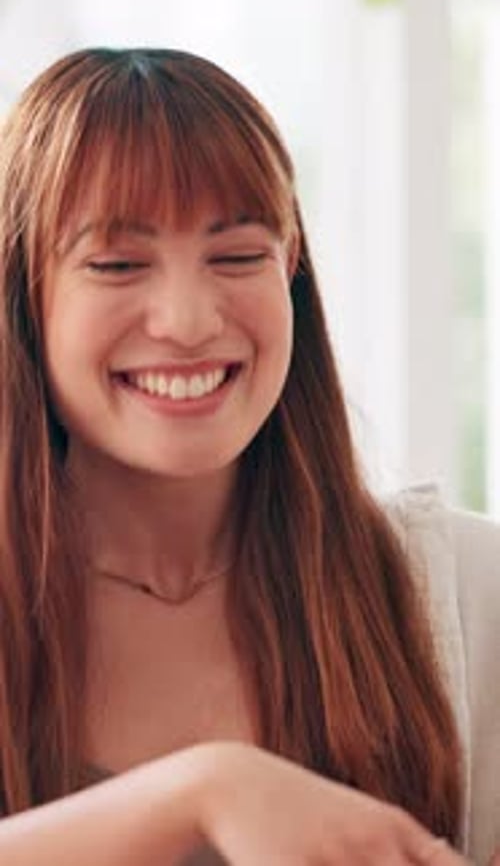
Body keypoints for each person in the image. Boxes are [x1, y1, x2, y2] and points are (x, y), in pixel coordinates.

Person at [0, 46, 497, 866]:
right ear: (25, 294)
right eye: (119, 265)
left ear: (291, 268)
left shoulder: (463, 595)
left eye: (237, 256)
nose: (189, 320)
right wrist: (205, 792)